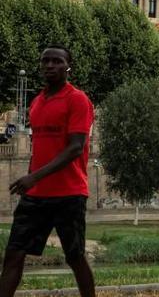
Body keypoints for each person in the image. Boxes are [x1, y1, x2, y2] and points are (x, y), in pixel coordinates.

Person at [0, 45, 96, 297]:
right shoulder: (36, 103)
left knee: (75, 256)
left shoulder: (78, 99)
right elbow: (41, 148)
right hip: (36, 195)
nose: (50, 65)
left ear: (68, 66)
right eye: (45, 61)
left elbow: (75, 148)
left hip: (69, 193)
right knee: (13, 254)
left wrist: (34, 176)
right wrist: (32, 178)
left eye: (57, 61)